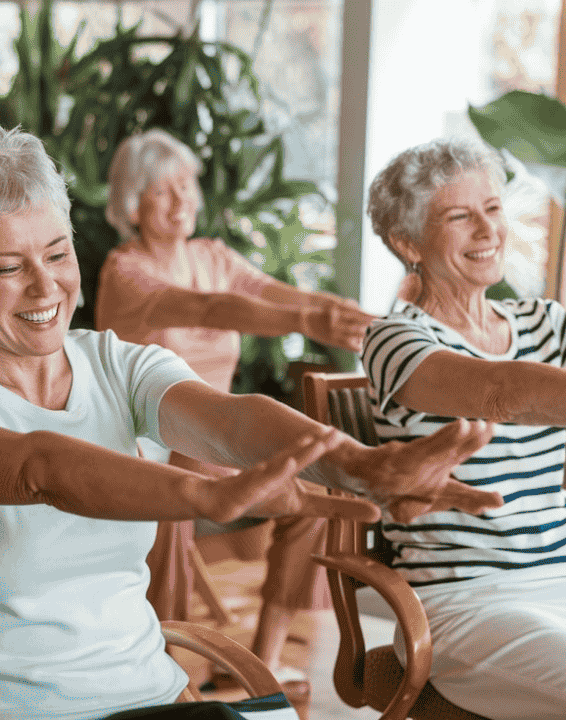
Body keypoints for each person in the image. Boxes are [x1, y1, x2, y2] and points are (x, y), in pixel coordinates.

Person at [0, 124, 502, 720]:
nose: (46, 288)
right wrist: (207, 493)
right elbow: (42, 468)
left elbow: (231, 422)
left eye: (57, 254)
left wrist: (363, 464)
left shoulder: (118, 364)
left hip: (149, 697)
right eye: (7, 268)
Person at [362, 137, 566, 720]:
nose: (487, 230)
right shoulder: (392, 340)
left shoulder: (542, 321)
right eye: (459, 217)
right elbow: (503, 392)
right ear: (407, 242)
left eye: (492, 209)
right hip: (477, 603)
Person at [95, 128, 375, 675]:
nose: (181, 201)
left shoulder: (212, 255)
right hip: (143, 447)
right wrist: (305, 320)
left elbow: (269, 293)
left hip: (213, 439)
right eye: (162, 191)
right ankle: (163, 668)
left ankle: (263, 661)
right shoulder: (123, 273)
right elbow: (206, 309)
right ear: (132, 203)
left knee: (314, 494)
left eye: (186, 187)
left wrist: (337, 312)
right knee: (175, 494)